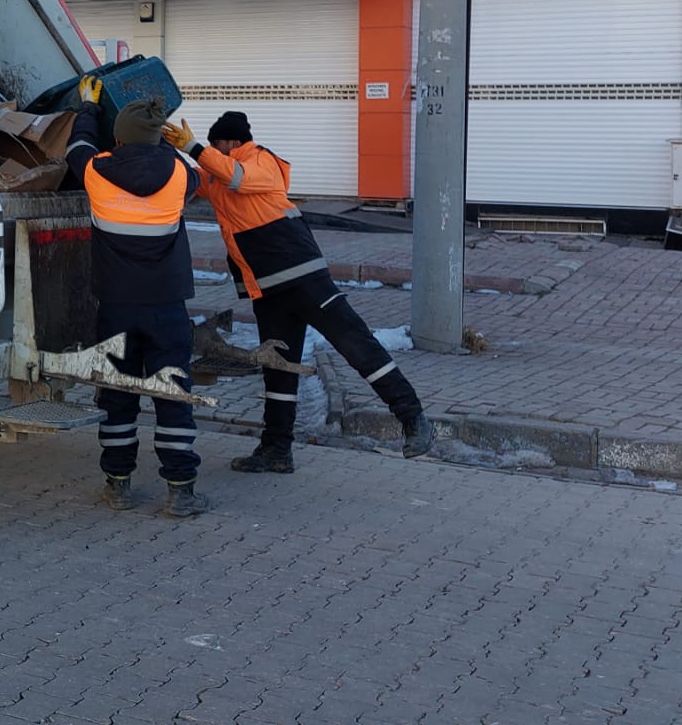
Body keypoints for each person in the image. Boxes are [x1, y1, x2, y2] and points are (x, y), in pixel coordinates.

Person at [167, 110, 435, 471]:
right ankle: (276, 450)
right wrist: (159, 145)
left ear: (231, 142)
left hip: (304, 279)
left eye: (216, 146)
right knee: (278, 368)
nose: (211, 153)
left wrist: (195, 147)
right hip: (268, 290)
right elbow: (189, 179)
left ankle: (414, 418)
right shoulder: (217, 173)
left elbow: (239, 179)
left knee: (356, 344)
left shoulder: (261, 161)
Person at [65, 90, 212, 518]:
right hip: (167, 306)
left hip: (116, 305)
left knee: (118, 396)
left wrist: (89, 108)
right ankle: (180, 490)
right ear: (155, 138)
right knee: (173, 393)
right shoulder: (180, 176)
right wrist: (168, 140)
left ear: (119, 138)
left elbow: (78, 147)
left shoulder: (95, 171)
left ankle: (118, 485)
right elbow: (194, 172)